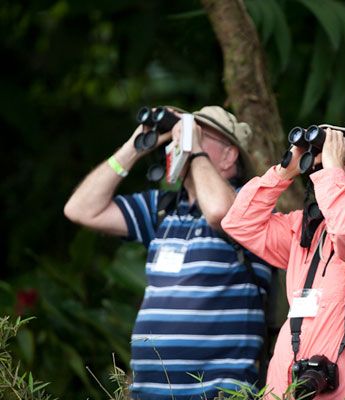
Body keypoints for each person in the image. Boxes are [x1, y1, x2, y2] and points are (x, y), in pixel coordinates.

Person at [64, 106, 271, 400]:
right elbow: (80, 209)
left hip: (218, 393)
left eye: (199, 133)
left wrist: (193, 147)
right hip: (151, 393)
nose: (182, 140)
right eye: (184, 133)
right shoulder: (164, 209)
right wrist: (135, 146)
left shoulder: (250, 205)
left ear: (229, 155)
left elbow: (220, 213)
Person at [221, 125, 345, 399]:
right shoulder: (307, 230)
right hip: (288, 387)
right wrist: (285, 171)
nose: (329, 165)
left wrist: (331, 170)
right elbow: (239, 223)